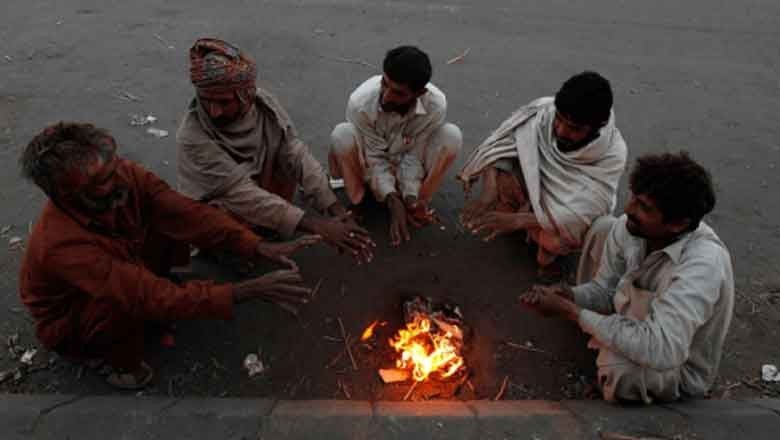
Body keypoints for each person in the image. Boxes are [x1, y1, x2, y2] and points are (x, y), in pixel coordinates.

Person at [19, 122, 320, 389]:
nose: (119, 178)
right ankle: (108, 359)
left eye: (114, 166)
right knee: (122, 304)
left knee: (173, 221)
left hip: (128, 272)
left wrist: (256, 245)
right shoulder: (61, 245)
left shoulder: (125, 176)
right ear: (68, 195)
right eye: (101, 181)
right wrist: (247, 290)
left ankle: (166, 298)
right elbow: (144, 295)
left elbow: (187, 214)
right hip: (76, 315)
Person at [519, 152, 734, 404]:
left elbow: (662, 350)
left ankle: (613, 378)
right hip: (637, 326)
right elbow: (607, 291)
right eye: (634, 197)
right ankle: (606, 340)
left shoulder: (702, 265)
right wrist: (571, 295)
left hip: (674, 366)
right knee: (603, 228)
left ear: (677, 224)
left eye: (645, 207)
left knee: (620, 371)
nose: (629, 208)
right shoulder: (630, 228)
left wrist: (573, 312)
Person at [177, 38, 374, 264]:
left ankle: (268, 226)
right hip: (225, 201)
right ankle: (237, 248)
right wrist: (314, 224)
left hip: (258, 192)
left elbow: (295, 154)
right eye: (205, 100)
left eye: (223, 102)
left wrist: (335, 209)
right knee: (217, 215)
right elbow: (240, 193)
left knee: (285, 158)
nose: (214, 112)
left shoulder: (264, 105)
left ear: (245, 96)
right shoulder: (192, 136)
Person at [459, 71, 627, 274]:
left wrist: (518, 221)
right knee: (502, 170)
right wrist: (489, 192)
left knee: (555, 242)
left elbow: (583, 213)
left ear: (597, 127)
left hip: (563, 208)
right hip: (532, 192)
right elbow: (500, 145)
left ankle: (529, 229)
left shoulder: (612, 154)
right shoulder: (543, 111)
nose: (560, 131)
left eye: (573, 128)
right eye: (559, 119)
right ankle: (521, 220)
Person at [329, 45, 463, 246]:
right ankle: (361, 201)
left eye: (398, 93)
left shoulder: (435, 105)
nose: (387, 95)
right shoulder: (361, 102)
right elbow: (373, 156)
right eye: (385, 83)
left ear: (419, 93)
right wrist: (392, 198)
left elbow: (415, 156)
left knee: (452, 136)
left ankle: (417, 203)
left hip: (404, 164)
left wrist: (409, 197)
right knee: (342, 135)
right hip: (368, 165)